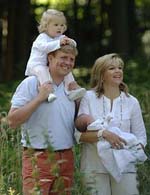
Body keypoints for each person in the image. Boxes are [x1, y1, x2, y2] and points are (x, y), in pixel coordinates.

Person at [8, 44, 79, 195]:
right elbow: (12, 121)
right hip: (38, 157)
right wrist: (39, 98)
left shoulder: (72, 88)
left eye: (71, 59)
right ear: (50, 58)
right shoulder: (32, 83)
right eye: (63, 57)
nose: (68, 62)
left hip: (66, 157)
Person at [74, 53, 147, 195]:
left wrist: (132, 151)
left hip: (125, 168)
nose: (118, 71)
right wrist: (103, 134)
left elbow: (141, 137)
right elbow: (79, 135)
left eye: (120, 68)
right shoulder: (88, 98)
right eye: (112, 68)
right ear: (101, 74)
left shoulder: (132, 102)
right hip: (94, 168)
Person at [25, 8, 86, 102]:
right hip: (36, 65)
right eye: (56, 25)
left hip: (49, 65)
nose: (59, 28)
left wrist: (71, 42)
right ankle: (48, 93)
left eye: (62, 25)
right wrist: (59, 43)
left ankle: (72, 89)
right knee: (43, 71)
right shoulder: (42, 38)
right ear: (46, 26)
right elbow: (44, 47)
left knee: (67, 71)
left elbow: (73, 44)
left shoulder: (60, 37)